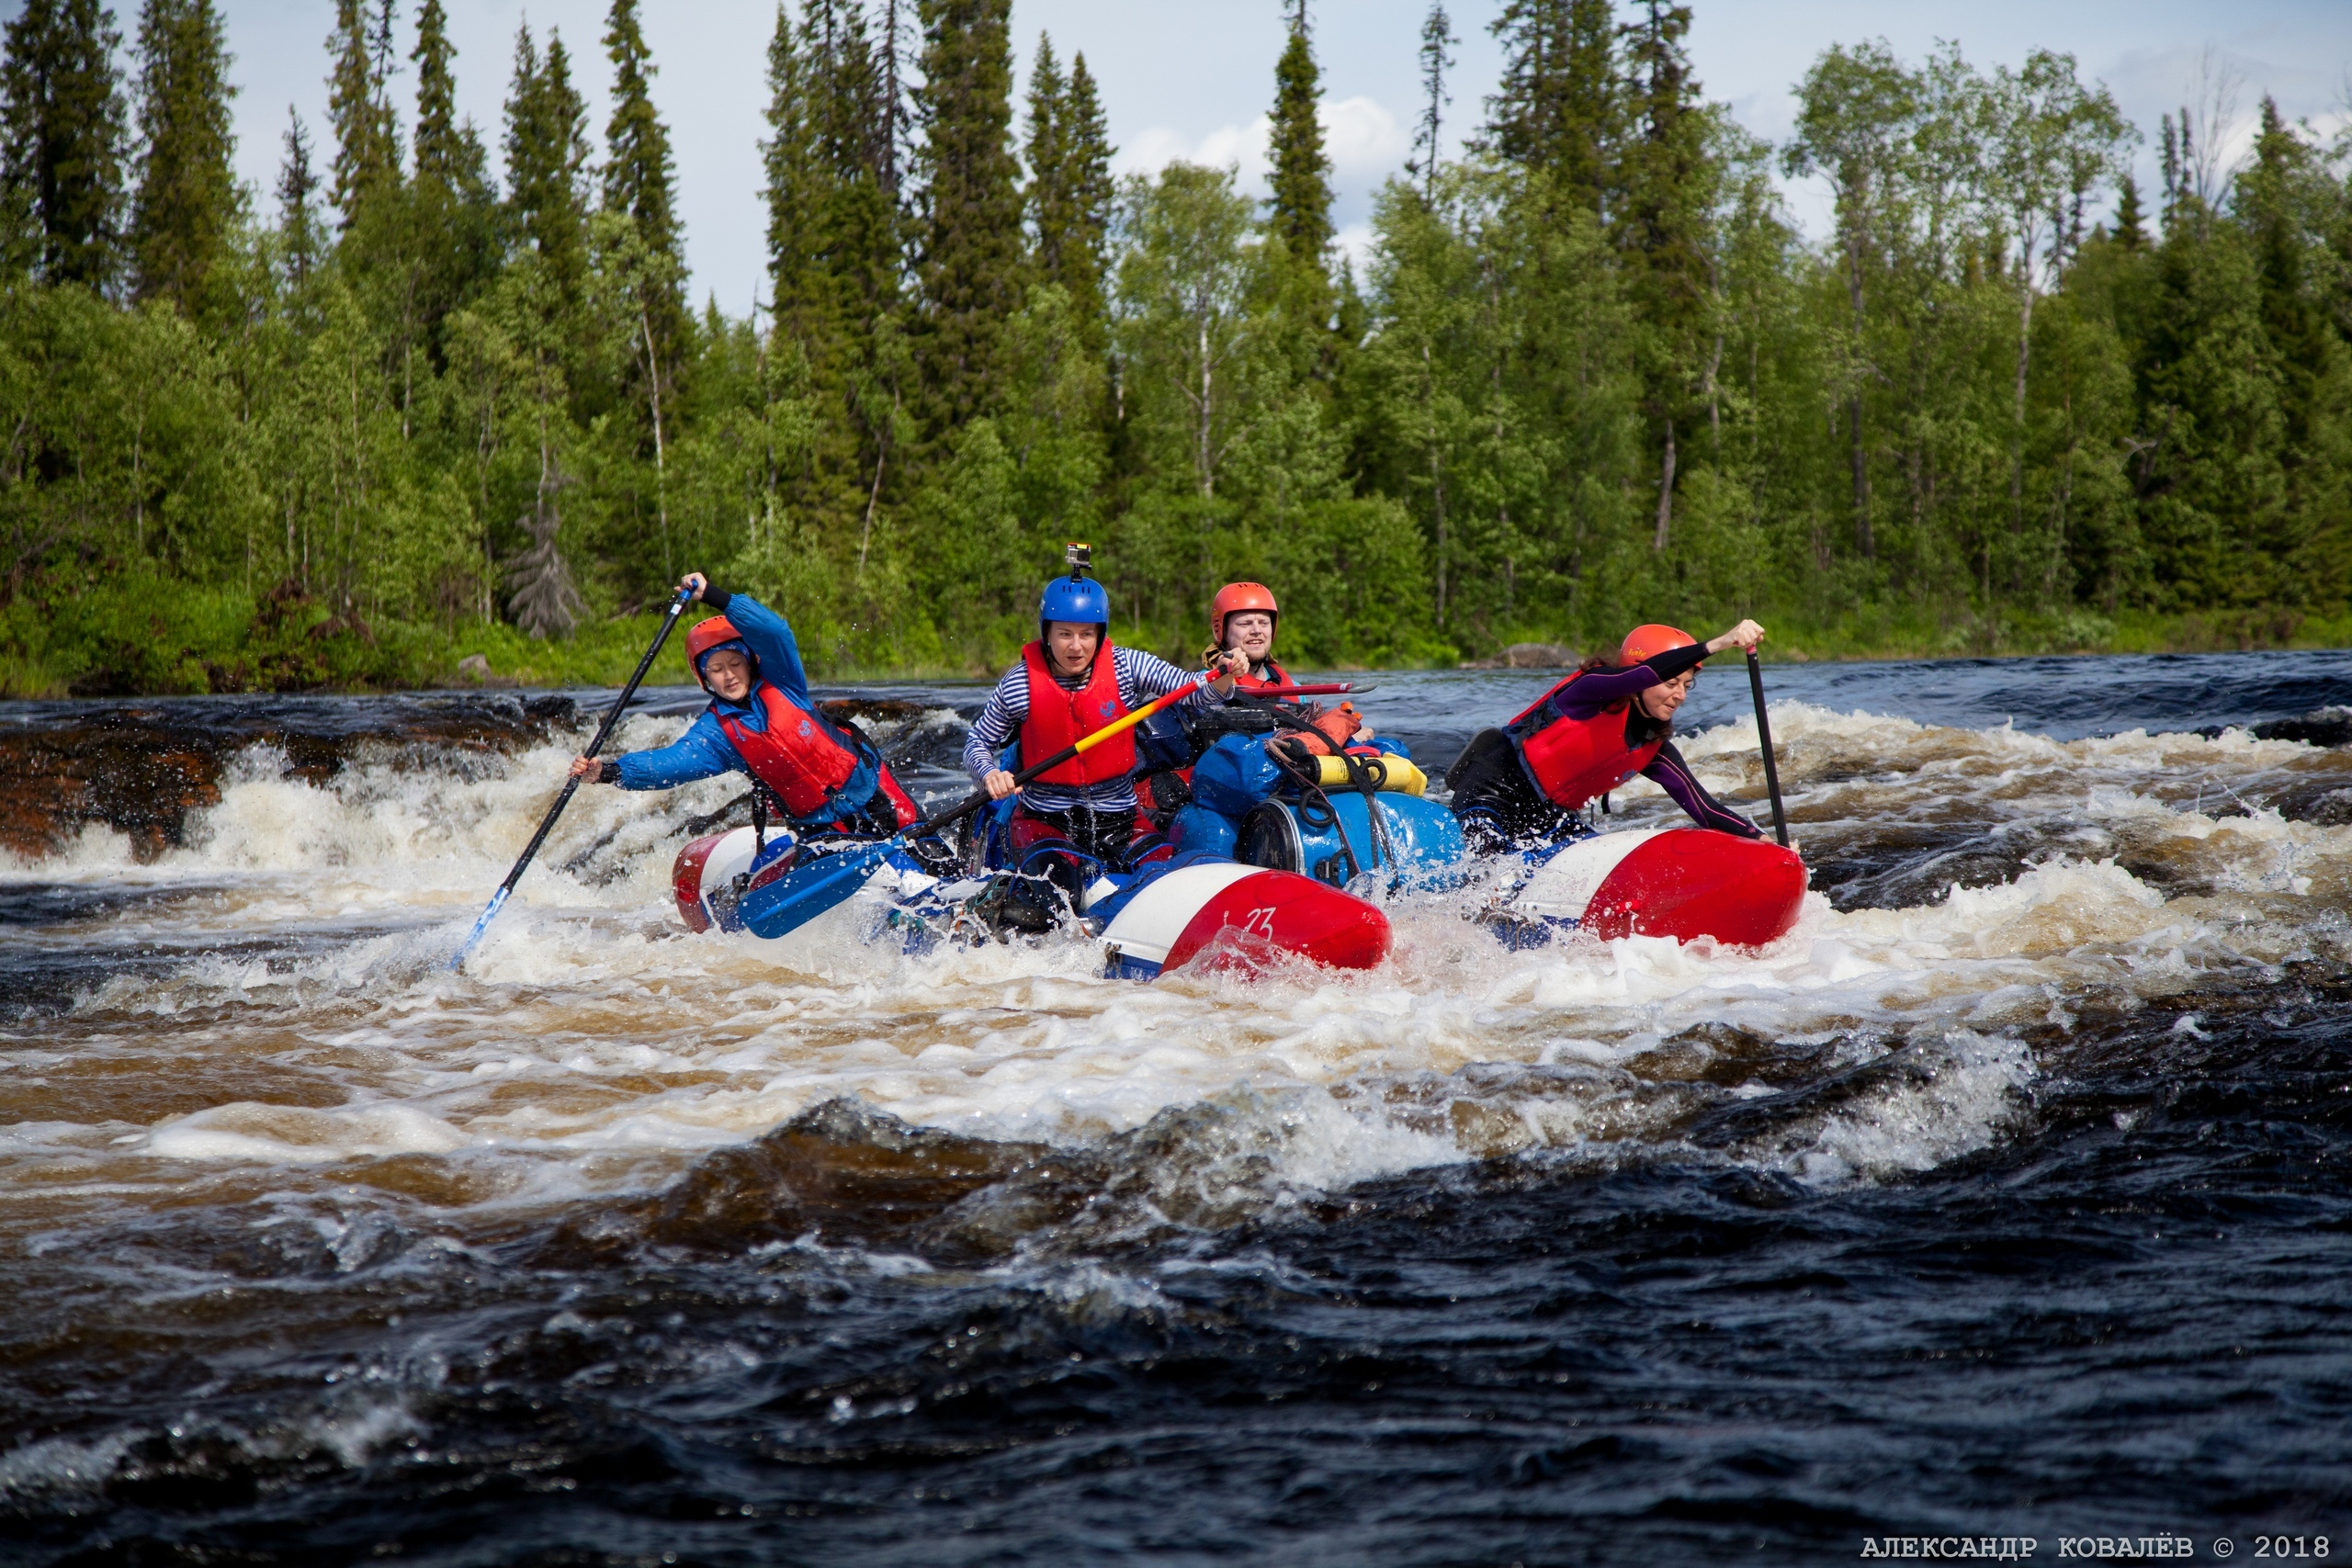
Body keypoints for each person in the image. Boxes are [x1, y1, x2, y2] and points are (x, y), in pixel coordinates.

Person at [961, 564, 1248, 930]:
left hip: (1121, 817)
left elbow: (1193, 690)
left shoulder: (1127, 665)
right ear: (1046, 633)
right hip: (1046, 822)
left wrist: (1225, 673)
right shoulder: (1019, 685)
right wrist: (989, 774)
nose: (1076, 646)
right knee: (1058, 899)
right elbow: (977, 742)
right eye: (1064, 634)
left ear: (1100, 633)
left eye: (1086, 634)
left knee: (1169, 880)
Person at [569, 572, 925, 846]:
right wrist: (608, 772)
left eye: (734, 663)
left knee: (925, 850)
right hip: (818, 823)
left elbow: (775, 631)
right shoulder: (718, 733)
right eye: (716, 669)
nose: (729, 675)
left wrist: (712, 595)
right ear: (704, 679)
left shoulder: (784, 681)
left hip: (869, 787)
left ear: (749, 662)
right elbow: (672, 764)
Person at [1448, 620, 1767, 856]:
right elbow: (1644, 674)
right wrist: (1719, 643)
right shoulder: (1591, 689)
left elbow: (1703, 808)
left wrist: (1763, 840)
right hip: (1492, 792)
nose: (1680, 695)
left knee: (1593, 853)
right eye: (1672, 683)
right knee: (1491, 864)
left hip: (1545, 817)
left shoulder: (1651, 746)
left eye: (1687, 685)